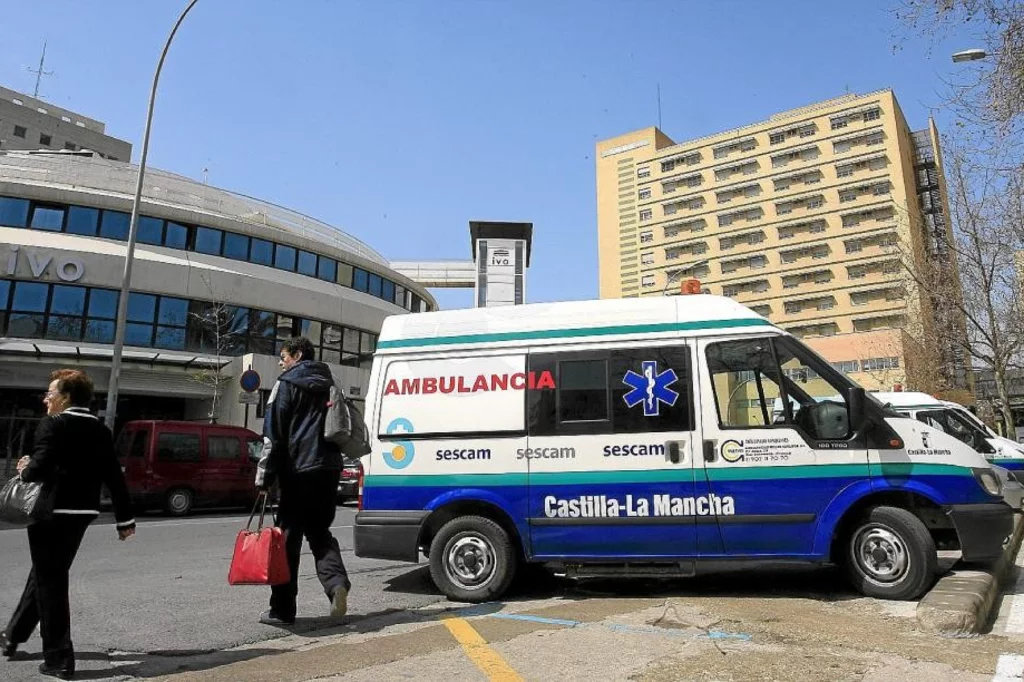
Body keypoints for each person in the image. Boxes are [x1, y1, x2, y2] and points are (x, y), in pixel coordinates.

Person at [1, 369, 135, 680]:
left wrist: (24, 468)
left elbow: (39, 467)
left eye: (50, 393)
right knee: (47, 574)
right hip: (82, 513)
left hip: (51, 513)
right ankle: (13, 634)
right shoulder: (100, 429)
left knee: (51, 583)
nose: (45, 398)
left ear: (66, 397)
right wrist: (124, 519)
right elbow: (114, 476)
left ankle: (59, 658)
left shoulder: (54, 424)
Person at [256, 337, 350, 625]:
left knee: (287, 540)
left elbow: (274, 435)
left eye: (283, 356)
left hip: (297, 471)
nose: (281, 363)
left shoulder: (286, 385)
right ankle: (336, 586)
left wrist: (265, 477)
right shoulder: (332, 383)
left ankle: (282, 611)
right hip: (329, 468)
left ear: (297, 354)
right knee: (319, 531)